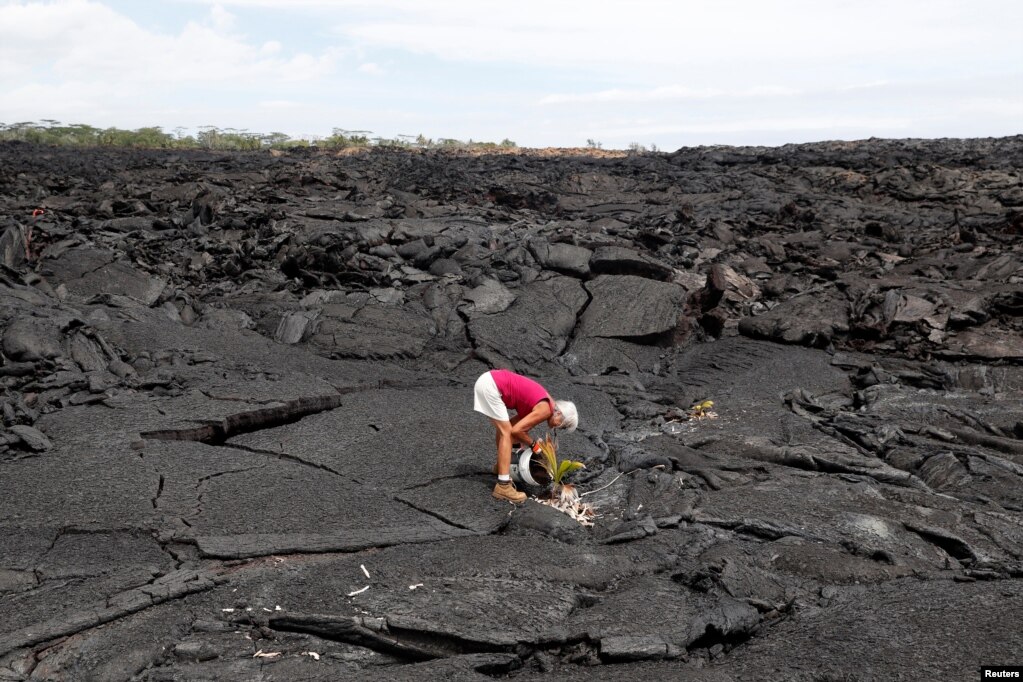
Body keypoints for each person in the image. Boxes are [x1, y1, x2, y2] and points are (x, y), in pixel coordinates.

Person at [473, 368, 578, 503]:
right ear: (559, 414)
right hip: (491, 385)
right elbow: (516, 431)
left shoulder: (544, 402)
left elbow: (515, 427)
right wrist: (536, 447)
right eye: (561, 424)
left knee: (506, 429)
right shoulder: (546, 409)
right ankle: (503, 487)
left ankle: (501, 467)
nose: (557, 427)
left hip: (488, 380)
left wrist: (520, 445)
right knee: (506, 433)